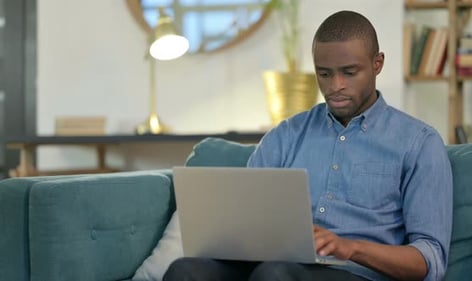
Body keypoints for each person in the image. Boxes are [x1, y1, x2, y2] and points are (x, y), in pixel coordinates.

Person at [163, 10, 453, 281]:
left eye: (349, 72)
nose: (335, 85)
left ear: (377, 64)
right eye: (324, 73)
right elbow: (245, 221)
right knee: (186, 270)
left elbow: (430, 260)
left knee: (276, 274)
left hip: (355, 272)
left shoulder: (419, 143)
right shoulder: (287, 135)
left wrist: (350, 247)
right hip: (274, 265)